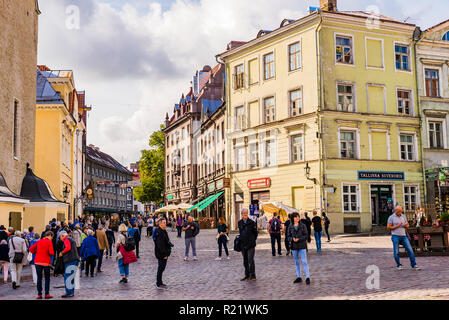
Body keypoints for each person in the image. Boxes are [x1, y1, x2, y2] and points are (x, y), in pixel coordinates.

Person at [387, 206, 420, 270]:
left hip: (404, 236)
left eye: (401, 211)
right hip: (395, 236)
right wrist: (397, 225)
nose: (400, 213)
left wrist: (405, 225)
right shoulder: (391, 217)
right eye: (399, 212)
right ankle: (398, 265)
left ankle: (414, 264)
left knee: (410, 250)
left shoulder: (403, 216)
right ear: (396, 211)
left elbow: (407, 225)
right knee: (396, 251)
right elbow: (388, 227)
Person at [29, 231, 54, 299]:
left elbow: (31, 249)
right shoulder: (49, 242)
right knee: (47, 278)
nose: (52, 238)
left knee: (39, 278)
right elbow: (51, 252)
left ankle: (39, 294)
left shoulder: (39, 241)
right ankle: (46, 294)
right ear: (50, 235)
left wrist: (35, 252)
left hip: (37, 261)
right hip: (46, 262)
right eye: (52, 237)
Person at [287, 212, 311, 285]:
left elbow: (306, 235)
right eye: (295, 217)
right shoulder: (290, 226)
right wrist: (292, 239)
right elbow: (288, 236)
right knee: (296, 262)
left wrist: (299, 239)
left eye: (298, 217)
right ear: (292, 218)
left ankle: (307, 277)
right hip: (294, 246)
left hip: (302, 246)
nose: (297, 218)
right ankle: (299, 277)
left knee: (304, 261)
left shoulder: (303, 225)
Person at [238, 209, 258, 281]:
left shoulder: (252, 222)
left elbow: (256, 233)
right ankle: (247, 275)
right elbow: (240, 233)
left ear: (247, 214)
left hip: (250, 244)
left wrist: (252, 240)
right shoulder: (239, 222)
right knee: (245, 260)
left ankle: (252, 275)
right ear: (241, 214)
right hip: (243, 244)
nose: (245, 214)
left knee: (250, 260)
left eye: (246, 213)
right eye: (243, 213)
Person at [59, 230, 80, 298]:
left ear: (62, 236)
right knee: (71, 277)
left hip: (70, 260)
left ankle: (69, 292)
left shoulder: (66, 239)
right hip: (74, 260)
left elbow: (68, 248)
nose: (60, 239)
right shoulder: (71, 239)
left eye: (60, 237)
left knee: (68, 277)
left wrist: (62, 252)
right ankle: (71, 292)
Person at [154, 218, 171, 289]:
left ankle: (160, 282)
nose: (165, 223)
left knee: (162, 268)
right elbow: (160, 245)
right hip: (161, 254)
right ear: (160, 224)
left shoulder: (163, 231)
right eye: (164, 222)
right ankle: (158, 283)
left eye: (165, 222)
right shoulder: (159, 232)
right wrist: (164, 254)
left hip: (164, 253)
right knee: (160, 268)